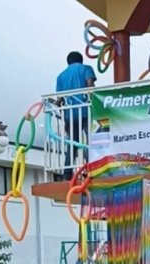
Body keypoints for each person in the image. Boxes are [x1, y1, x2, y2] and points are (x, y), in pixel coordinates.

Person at [55, 51, 96, 181]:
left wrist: (54, 106)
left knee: (72, 143)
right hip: (85, 111)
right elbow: (90, 86)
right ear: (81, 60)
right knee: (91, 141)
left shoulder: (61, 76)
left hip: (70, 115)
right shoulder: (86, 69)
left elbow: (60, 98)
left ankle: (67, 173)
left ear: (68, 62)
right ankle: (92, 169)